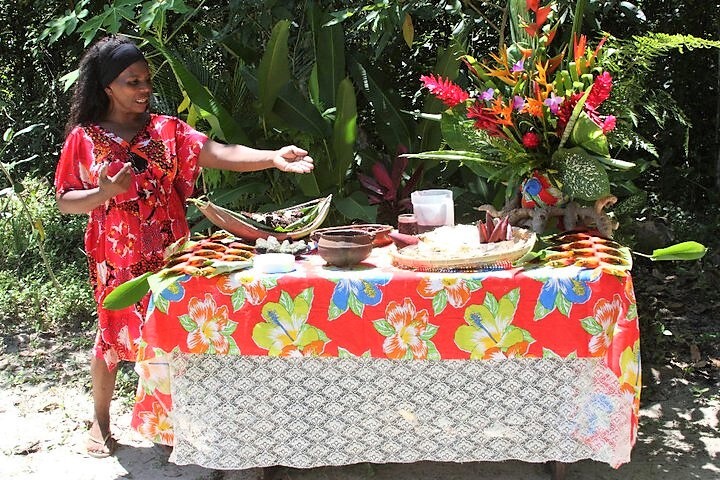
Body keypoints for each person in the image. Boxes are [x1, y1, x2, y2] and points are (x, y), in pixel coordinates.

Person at [54, 35, 314, 458]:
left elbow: (220, 152)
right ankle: (100, 422)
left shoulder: (167, 131)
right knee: (113, 336)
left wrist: (272, 156)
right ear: (107, 88)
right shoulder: (85, 138)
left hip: (172, 254)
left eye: (146, 81)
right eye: (132, 81)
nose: (143, 89)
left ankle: (184, 425)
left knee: (179, 334)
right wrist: (103, 193)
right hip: (116, 256)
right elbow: (66, 200)